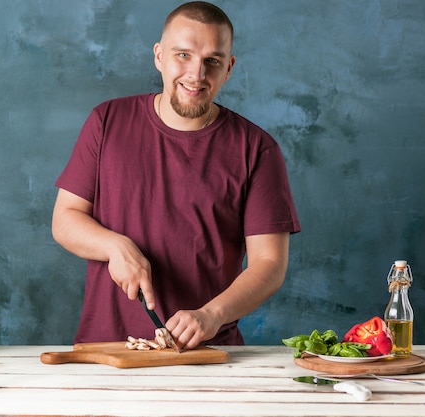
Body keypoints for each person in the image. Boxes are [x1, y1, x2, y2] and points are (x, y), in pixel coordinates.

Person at [52, 1, 300, 349]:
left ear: (228, 68)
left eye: (212, 61)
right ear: (159, 55)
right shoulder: (107, 121)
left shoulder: (257, 148)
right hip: (106, 348)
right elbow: (64, 220)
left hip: (208, 352)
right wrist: (115, 246)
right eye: (183, 55)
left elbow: (270, 263)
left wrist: (212, 314)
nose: (196, 74)